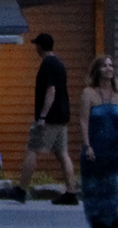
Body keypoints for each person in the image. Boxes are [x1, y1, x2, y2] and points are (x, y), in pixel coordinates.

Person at [78, 55, 118, 228]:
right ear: (97, 70)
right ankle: (96, 226)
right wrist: (87, 145)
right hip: (95, 144)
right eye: (104, 66)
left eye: (111, 65)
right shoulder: (89, 93)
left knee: (117, 185)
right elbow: (84, 121)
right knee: (94, 186)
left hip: (115, 146)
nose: (108, 69)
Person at [18, 32, 77, 204]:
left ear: (41, 47)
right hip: (61, 115)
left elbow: (51, 90)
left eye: (37, 45)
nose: (36, 48)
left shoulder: (48, 64)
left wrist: (42, 116)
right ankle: (71, 192)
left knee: (33, 149)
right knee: (62, 153)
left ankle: (21, 189)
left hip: (50, 117)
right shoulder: (59, 63)